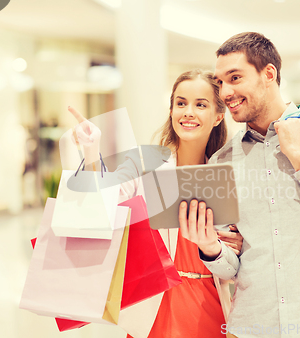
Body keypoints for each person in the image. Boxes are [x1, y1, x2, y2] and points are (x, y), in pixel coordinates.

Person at [179, 32, 300, 338]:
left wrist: (299, 156)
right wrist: (209, 246)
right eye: (220, 82)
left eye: (235, 77)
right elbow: (231, 268)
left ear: (268, 74)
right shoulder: (223, 160)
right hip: (250, 327)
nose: (225, 92)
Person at [69, 69, 244, 338]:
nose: (188, 112)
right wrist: (91, 150)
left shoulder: (230, 173)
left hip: (209, 307)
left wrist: (238, 243)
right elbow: (100, 205)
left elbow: (239, 258)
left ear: (219, 115)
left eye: (200, 104)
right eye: (181, 103)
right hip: (153, 306)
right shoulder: (145, 163)